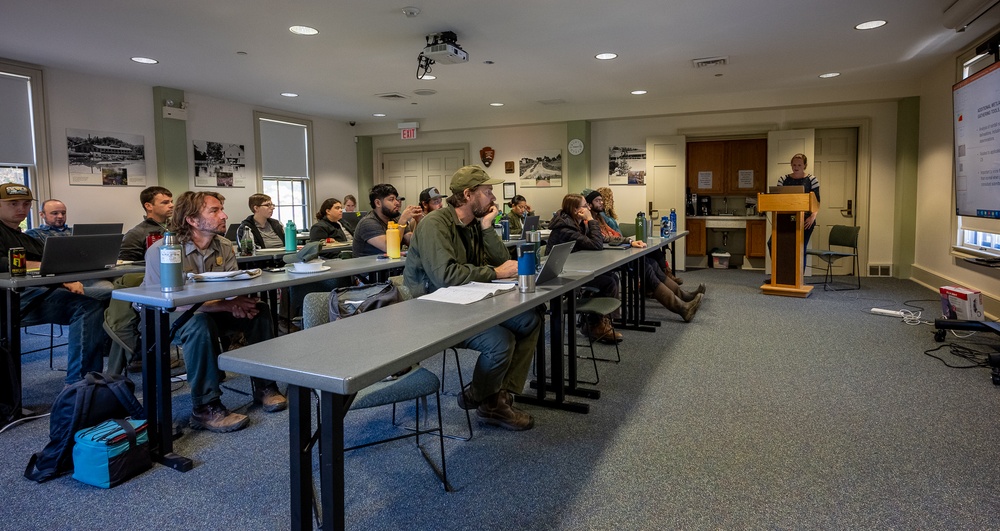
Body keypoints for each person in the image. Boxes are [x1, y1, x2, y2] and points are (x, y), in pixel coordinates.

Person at [404, 166, 541, 431]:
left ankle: (494, 395)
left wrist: (487, 227)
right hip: (434, 309)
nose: (493, 198)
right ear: (468, 195)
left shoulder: (473, 224)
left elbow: (502, 260)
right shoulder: (435, 224)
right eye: (487, 191)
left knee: (529, 319)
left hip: (468, 301)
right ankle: (489, 401)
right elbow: (445, 275)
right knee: (501, 341)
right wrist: (494, 272)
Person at [143, 191, 287, 433]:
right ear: (191, 219)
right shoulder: (164, 250)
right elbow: (170, 301)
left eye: (222, 209)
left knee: (259, 310)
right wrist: (226, 304)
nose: (224, 215)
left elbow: (231, 287)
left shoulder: (224, 245)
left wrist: (238, 301)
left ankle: (265, 386)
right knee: (199, 324)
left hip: (210, 311)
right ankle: (205, 407)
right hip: (167, 317)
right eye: (214, 211)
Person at [0, 183, 107, 384]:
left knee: (106, 298)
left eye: (25, 204)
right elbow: (6, 264)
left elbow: (51, 262)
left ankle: (110, 365)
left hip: (34, 292)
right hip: (10, 298)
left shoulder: (25, 238)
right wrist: (54, 272)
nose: (21, 209)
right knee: (86, 307)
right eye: (13, 203)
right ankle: (81, 385)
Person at [585, 189, 705, 322]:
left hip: (618, 252)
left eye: (602, 200)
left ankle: (682, 296)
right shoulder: (589, 222)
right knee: (646, 267)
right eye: (597, 201)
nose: (601, 203)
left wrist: (626, 241)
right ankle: (681, 307)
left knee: (651, 263)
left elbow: (614, 235)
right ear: (589, 205)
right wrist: (625, 240)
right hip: (608, 258)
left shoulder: (600, 218)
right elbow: (602, 240)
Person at [545, 193, 626, 344]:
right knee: (609, 282)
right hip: (562, 276)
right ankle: (595, 325)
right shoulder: (565, 228)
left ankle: (598, 322)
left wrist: (627, 241)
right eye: (585, 206)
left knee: (611, 278)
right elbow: (596, 245)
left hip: (575, 269)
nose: (588, 208)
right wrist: (591, 219)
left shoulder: (577, 223)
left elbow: (598, 240)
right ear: (576, 210)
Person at [351, 183, 422, 257]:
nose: (397, 203)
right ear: (378, 203)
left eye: (396, 199)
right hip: (371, 267)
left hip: (391, 266)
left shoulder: (396, 218)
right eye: (391, 199)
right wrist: (402, 221)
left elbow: (413, 243)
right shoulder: (368, 223)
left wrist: (418, 221)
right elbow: (390, 248)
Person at [776, 152, 821, 249]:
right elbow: (777, 199)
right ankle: (783, 265)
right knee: (774, 244)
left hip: (806, 220)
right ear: (791, 165)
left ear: (804, 165)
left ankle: (801, 265)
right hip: (786, 218)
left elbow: (816, 201)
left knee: (800, 248)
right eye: (794, 165)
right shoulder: (783, 179)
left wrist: (812, 217)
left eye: (799, 165)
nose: (796, 167)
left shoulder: (812, 180)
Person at [120, 186, 173, 261]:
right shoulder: (136, 234)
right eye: (165, 203)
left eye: (171, 202)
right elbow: (126, 266)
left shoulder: (178, 227)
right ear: (148, 206)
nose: (171, 205)